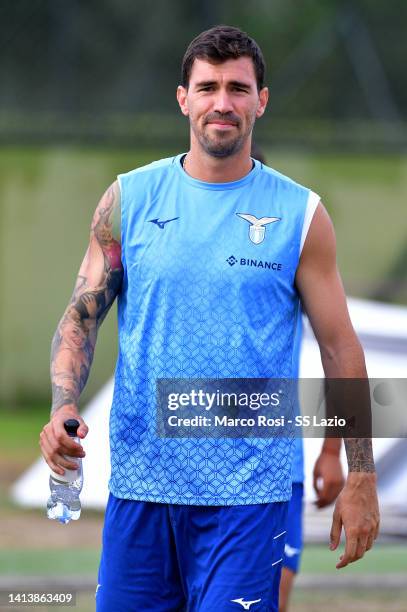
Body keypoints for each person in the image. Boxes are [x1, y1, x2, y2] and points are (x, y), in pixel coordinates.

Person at [40, 25, 379, 612]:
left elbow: (340, 349)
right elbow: (81, 316)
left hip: (248, 500)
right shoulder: (128, 200)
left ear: (261, 101)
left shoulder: (300, 214)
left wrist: (359, 472)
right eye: (208, 87)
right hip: (141, 491)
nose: (223, 102)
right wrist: (61, 406)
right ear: (183, 98)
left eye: (238, 88)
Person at [250, 144, 345, 612]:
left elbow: (339, 350)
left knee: (268, 602)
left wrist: (333, 451)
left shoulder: (293, 236)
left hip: (276, 468)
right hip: (189, 470)